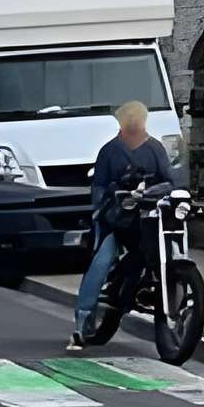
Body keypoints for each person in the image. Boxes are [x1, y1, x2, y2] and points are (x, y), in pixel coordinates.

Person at [69, 99, 176, 350]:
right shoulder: (109, 151)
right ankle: (82, 322)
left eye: (138, 119)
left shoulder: (156, 149)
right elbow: (99, 189)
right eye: (130, 119)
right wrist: (106, 210)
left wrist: (152, 193)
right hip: (116, 221)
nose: (134, 124)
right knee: (101, 261)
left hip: (149, 219)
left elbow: (170, 181)